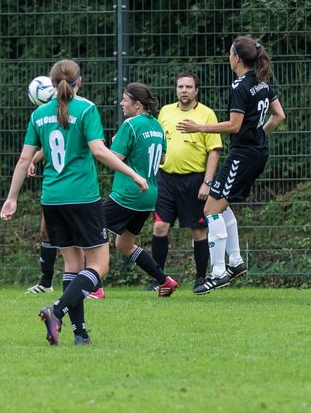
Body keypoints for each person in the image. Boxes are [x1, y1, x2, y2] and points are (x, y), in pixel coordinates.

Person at [1, 60, 149, 346]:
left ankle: (80, 333)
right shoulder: (86, 109)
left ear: (52, 83)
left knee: (73, 265)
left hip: (52, 200)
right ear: (79, 81)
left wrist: (12, 198)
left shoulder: (39, 114)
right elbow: (99, 151)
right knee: (99, 265)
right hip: (82, 199)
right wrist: (133, 173)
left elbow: (23, 160)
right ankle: (55, 311)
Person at [177, 37, 285, 294]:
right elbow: (279, 116)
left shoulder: (240, 86)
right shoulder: (261, 81)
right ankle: (235, 261)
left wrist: (199, 127)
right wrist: (259, 136)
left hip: (243, 155)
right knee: (220, 204)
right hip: (256, 153)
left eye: (229, 53)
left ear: (237, 58)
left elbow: (234, 125)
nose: (228, 56)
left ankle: (217, 273)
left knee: (210, 210)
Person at [103, 83, 176, 296]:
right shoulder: (157, 127)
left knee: (90, 231)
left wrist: (109, 147)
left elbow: (115, 159)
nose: (121, 103)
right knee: (125, 244)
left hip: (128, 192)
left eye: (125, 99)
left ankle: (94, 287)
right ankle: (164, 281)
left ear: (137, 104)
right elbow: (162, 159)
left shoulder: (131, 125)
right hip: (149, 195)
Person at [152, 71, 221, 291]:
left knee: (198, 231)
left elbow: (214, 151)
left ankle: (201, 279)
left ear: (196, 90)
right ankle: (159, 279)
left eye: (188, 87)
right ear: (176, 89)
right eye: (181, 87)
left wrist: (207, 183)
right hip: (166, 179)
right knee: (160, 227)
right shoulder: (165, 112)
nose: (184, 91)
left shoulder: (207, 114)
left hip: (195, 181)